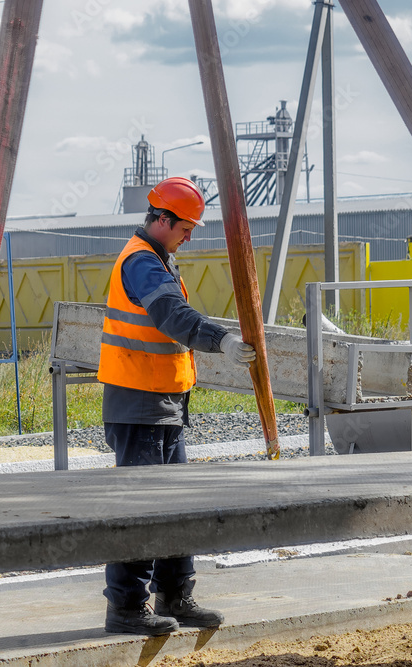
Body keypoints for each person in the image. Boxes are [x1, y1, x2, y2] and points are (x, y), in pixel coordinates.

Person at [98, 176, 256, 636]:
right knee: (142, 508)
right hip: (139, 402)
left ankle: (175, 594)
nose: (190, 235)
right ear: (162, 220)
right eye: (186, 226)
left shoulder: (161, 259)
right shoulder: (142, 262)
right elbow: (170, 316)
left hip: (164, 402)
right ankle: (127, 607)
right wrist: (220, 340)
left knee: (177, 503)